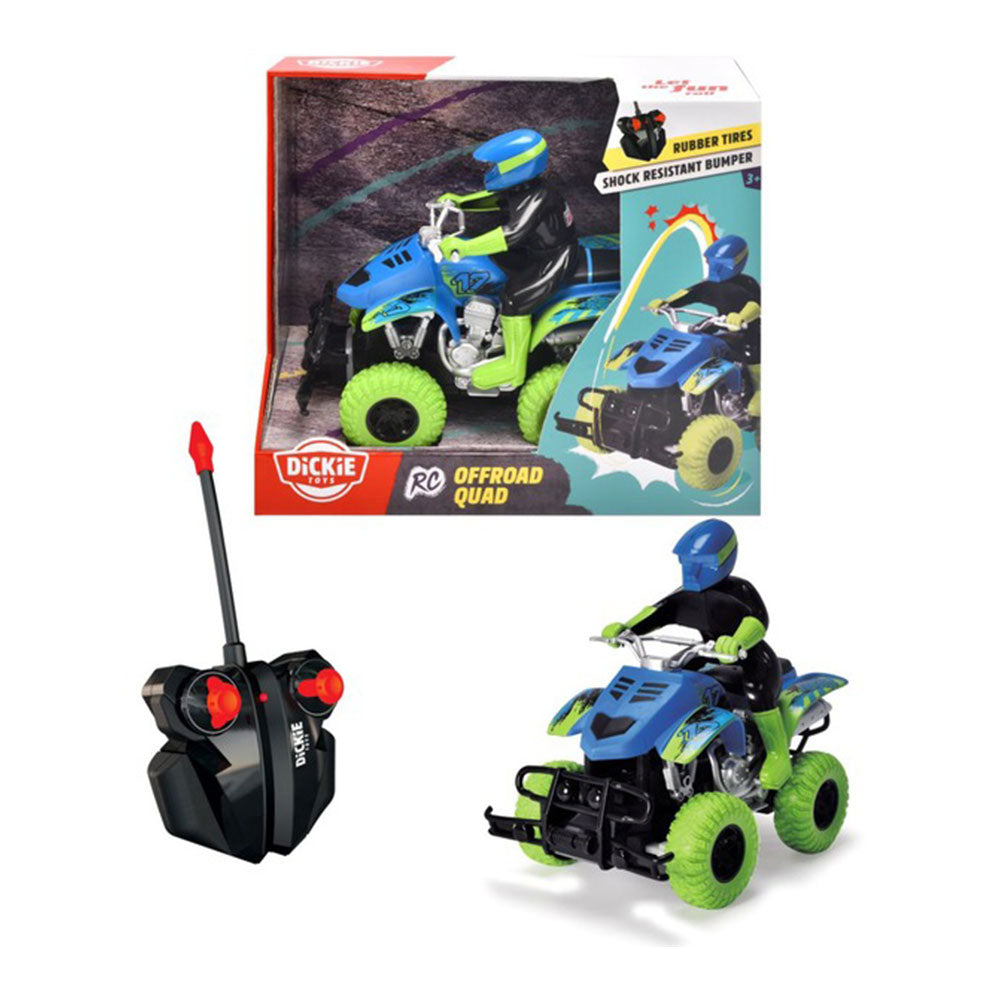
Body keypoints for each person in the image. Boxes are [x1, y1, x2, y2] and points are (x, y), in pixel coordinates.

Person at [601, 518, 791, 789]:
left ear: (724, 559)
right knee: (678, 680)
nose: (693, 570)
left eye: (703, 563)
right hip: (710, 652)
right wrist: (626, 628)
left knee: (756, 693)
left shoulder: (741, 591)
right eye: (687, 562)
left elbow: (758, 621)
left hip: (752, 658)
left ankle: (777, 755)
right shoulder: (685, 595)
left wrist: (738, 640)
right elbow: (659, 612)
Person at [437, 128, 578, 391]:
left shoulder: (538, 197)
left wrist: (466, 247)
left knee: (514, 298)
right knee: (493, 270)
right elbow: (496, 200)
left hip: (556, 258)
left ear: (518, 166)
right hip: (534, 252)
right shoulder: (523, 188)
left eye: (498, 166)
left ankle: (513, 368)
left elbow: (511, 234)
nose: (493, 171)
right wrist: (461, 203)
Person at [651, 235, 761, 416]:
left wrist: (741, 317)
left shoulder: (747, 284)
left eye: (722, 263)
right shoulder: (709, 285)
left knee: (751, 351)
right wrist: (666, 303)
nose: (715, 267)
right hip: (720, 322)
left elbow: (755, 304)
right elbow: (689, 293)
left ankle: (758, 392)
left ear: (737, 262)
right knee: (695, 336)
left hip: (748, 328)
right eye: (712, 261)